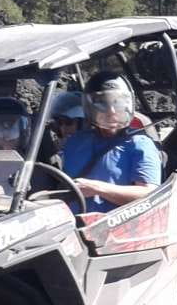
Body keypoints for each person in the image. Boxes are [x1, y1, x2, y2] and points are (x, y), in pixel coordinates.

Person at [60, 72, 162, 213]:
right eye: (103, 104)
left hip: (117, 227)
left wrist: (97, 188)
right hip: (69, 227)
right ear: (90, 107)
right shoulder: (75, 141)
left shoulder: (139, 144)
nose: (112, 111)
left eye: (118, 102)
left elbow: (149, 195)